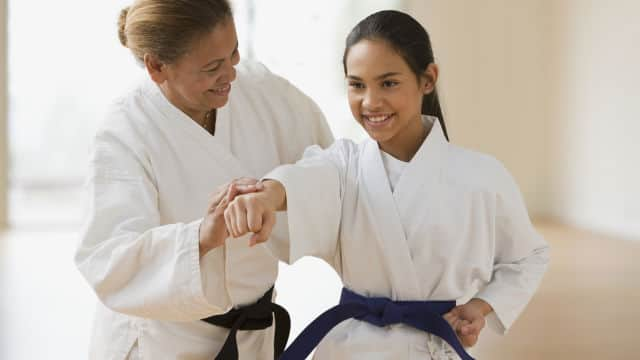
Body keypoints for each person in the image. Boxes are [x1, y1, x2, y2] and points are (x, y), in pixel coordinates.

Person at [221, 10, 550, 359]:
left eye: (388, 83)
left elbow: (528, 256)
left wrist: (482, 306)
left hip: (433, 346)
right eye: (357, 84)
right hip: (350, 348)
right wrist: (268, 196)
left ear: (428, 79)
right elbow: (306, 179)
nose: (371, 102)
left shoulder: (482, 175)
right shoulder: (344, 164)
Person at [74, 0, 333, 359]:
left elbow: (333, 172)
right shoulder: (127, 130)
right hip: (160, 344)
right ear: (156, 66)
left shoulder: (263, 93)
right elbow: (108, 259)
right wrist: (201, 237)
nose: (231, 74)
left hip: (252, 337)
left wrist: (277, 191)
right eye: (213, 67)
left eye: (234, 53)